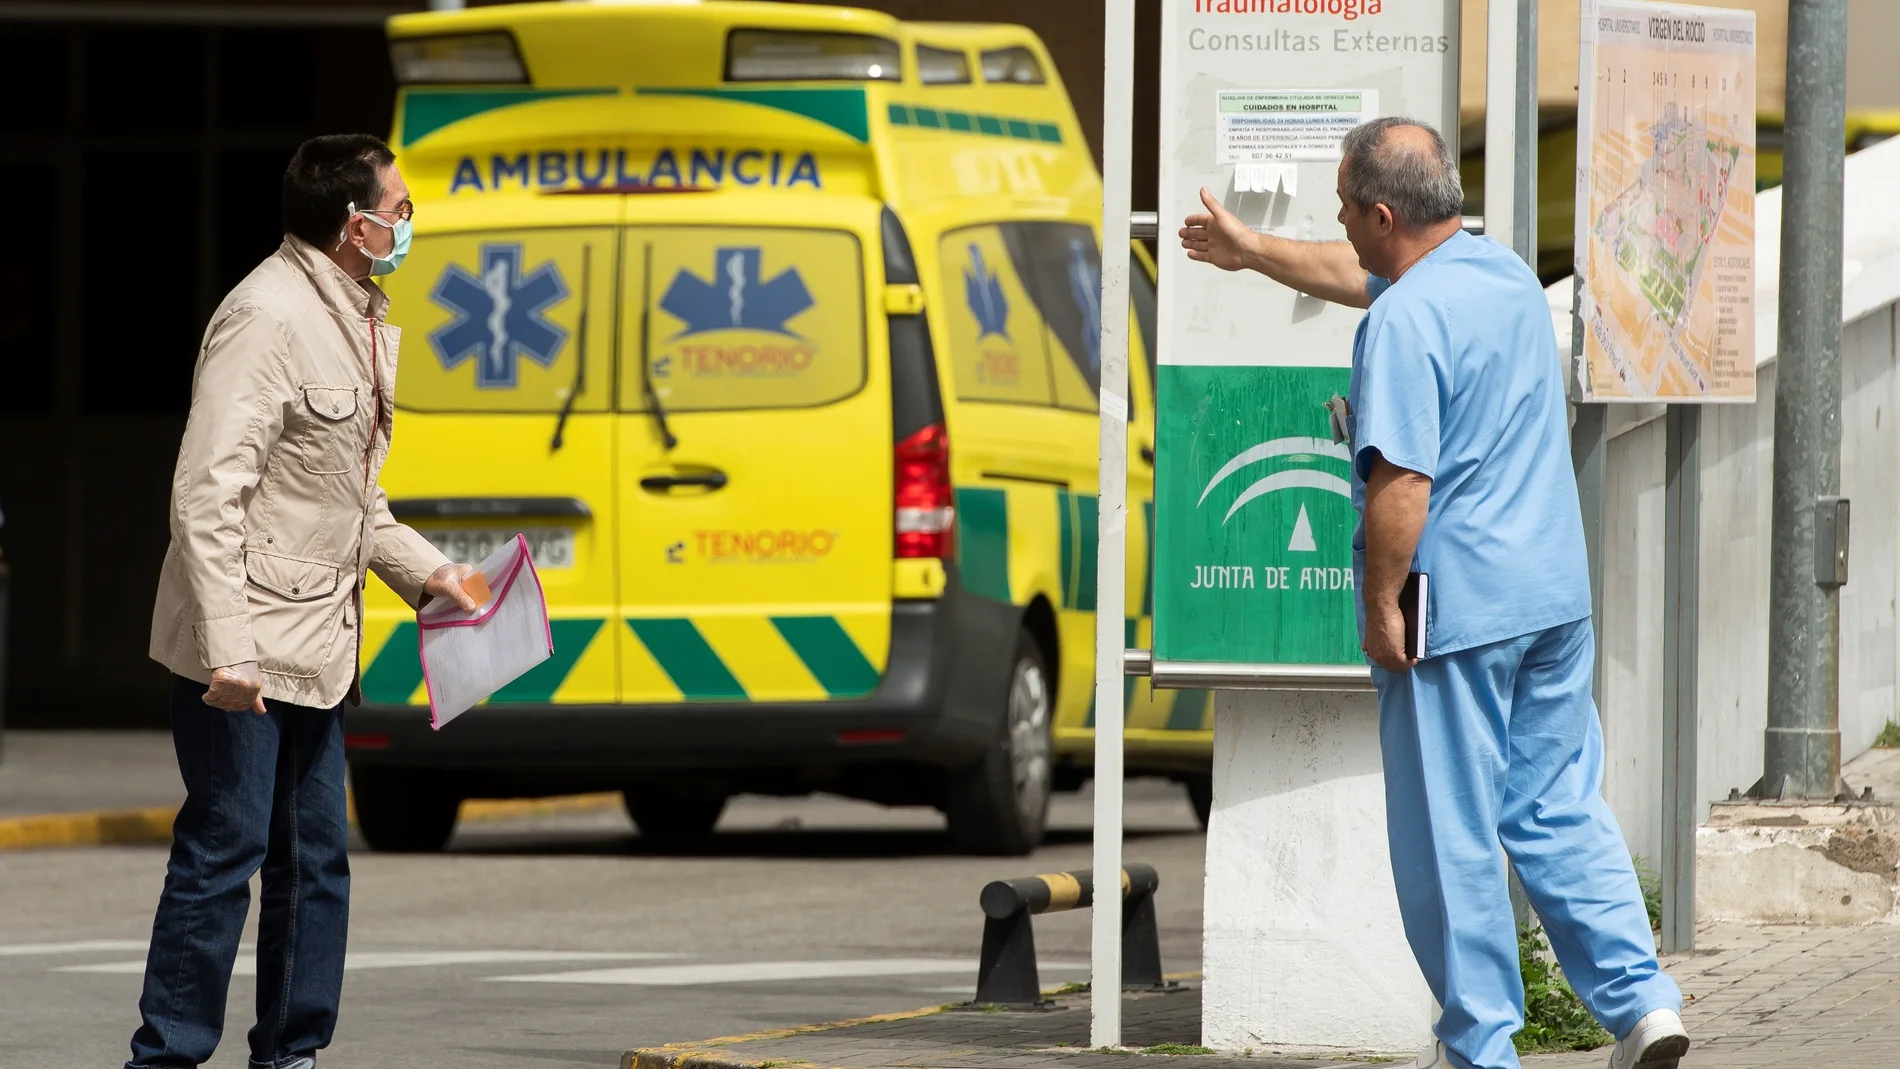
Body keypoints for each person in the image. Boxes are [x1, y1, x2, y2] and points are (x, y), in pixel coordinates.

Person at [1180, 117, 1687, 1069]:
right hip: (1550, 597)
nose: (1339, 224)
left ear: (1381, 213)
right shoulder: (1497, 275)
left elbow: (1402, 485)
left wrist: (1380, 607)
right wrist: (1253, 252)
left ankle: (1481, 1047)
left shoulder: (1403, 323)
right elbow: (1351, 271)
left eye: (1344, 209)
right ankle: (1643, 1002)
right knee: (1559, 807)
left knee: (1449, 836)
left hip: (1450, 611)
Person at [133, 133, 480, 1069]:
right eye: (398, 209)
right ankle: (166, 1056)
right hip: (242, 647)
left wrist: (426, 574)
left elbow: (347, 497)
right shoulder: (268, 316)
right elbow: (209, 491)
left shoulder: (351, 316)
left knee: (314, 864)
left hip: (318, 644)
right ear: (352, 223)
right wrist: (229, 652)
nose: (408, 223)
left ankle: (290, 1052)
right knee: (224, 853)